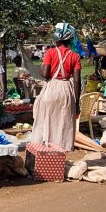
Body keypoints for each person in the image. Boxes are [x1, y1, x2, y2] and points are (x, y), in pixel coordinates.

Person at [30, 22, 81, 151]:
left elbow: (45, 74)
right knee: (62, 124)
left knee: (46, 120)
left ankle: (44, 152)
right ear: (69, 39)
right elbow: (77, 81)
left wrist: (42, 67)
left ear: (57, 38)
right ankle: (59, 154)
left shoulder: (50, 52)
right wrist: (76, 103)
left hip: (51, 89)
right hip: (66, 90)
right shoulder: (75, 56)